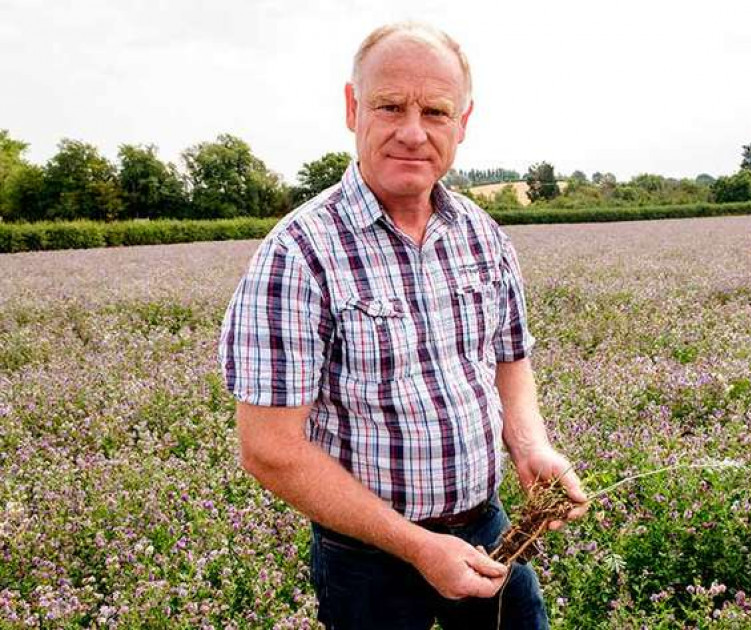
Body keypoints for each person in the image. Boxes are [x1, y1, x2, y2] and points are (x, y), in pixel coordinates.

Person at [218, 21, 587, 629]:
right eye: (390, 106)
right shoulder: (298, 253)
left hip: (490, 527)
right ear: (352, 108)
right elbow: (268, 448)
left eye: (436, 112)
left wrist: (531, 445)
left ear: (462, 123)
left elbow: (510, 361)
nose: (412, 132)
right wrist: (417, 545)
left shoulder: (482, 235)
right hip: (367, 558)